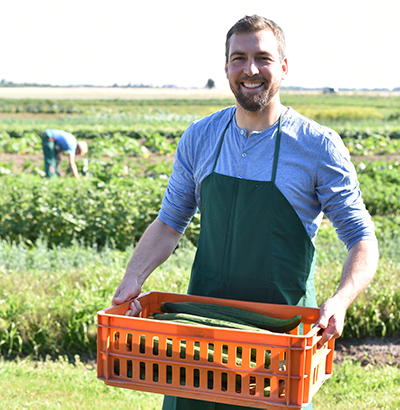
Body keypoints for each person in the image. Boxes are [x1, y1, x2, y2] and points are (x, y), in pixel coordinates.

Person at [112, 15, 379, 410]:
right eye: (239, 58)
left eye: (263, 58)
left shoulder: (318, 146)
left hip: (279, 344)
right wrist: (133, 276)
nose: (250, 69)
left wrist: (340, 299)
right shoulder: (200, 136)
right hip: (201, 339)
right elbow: (170, 222)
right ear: (226, 67)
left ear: (284, 68)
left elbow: (362, 238)